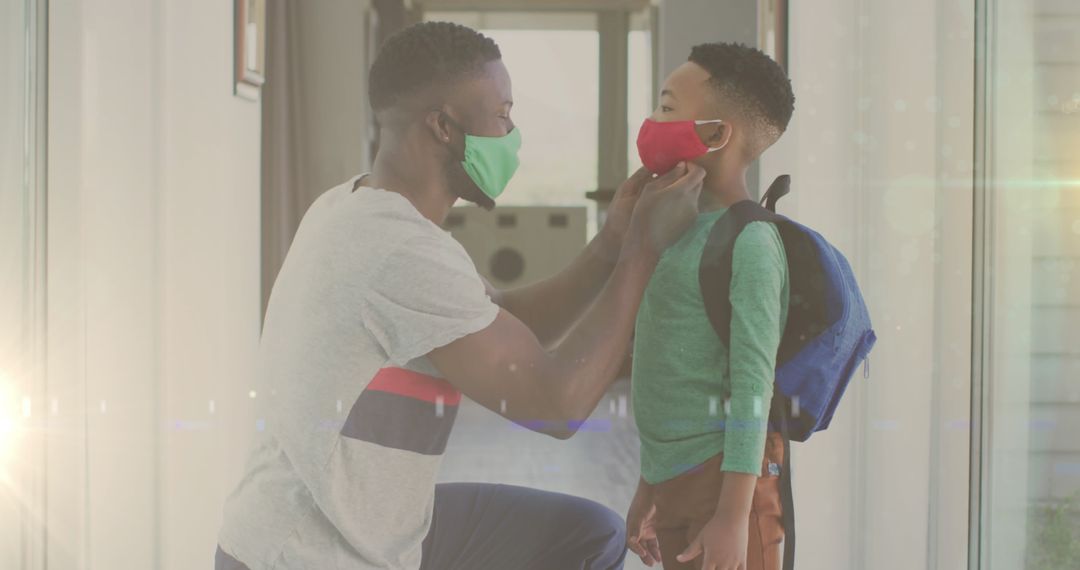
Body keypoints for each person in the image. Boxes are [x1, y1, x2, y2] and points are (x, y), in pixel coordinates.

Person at [215, 21, 705, 570]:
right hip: (309, 554)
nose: (512, 133)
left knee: (589, 535)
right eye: (502, 115)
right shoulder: (399, 250)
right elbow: (558, 406)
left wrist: (612, 244)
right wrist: (643, 250)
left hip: (346, 528)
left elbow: (501, 321)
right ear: (444, 127)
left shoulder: (352, 205)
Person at [624, 42, 796, 570]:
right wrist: (647, 485)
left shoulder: (750, 242)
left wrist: (731, 518)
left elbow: (752, 386)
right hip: (675, 481)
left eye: (669, 107)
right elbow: (670, 370)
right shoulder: (677, 227)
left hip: (725, 492)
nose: (653, 121)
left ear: (719, 134)